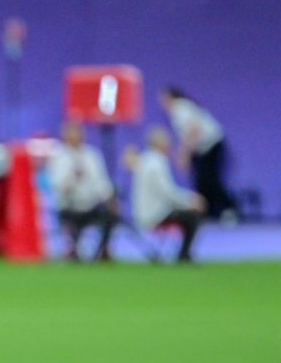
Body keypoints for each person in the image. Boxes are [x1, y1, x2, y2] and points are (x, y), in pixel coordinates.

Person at [159, 86, 238, 222]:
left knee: (211, 178)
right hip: (201, 148)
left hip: (211, 145)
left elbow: (194, 130)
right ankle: (206, 212)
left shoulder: (180, 107)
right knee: (201, 180)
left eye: (163, 99)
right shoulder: (178, 111)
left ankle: (228, 210)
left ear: (171, 97)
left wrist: (185, 154)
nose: (162, 103)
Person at [129, 127, 205, 262]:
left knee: (189, 214)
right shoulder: (158, 162)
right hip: (156, 214)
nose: (170, 147)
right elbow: (167, 193)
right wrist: (191, 201)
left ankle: (183, 253)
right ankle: (184, 254)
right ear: (160, 145)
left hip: (144, 213)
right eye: (167, 144)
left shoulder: (145, 160)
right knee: (194, 216)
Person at [46, 121, 119, 261]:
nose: (75, 137)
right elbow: (57, 186)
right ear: (65, 136)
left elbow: (101, 182)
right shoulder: (59, 157)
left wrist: (109, 198)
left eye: (77, 133)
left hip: (91, 205)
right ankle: (73, 250)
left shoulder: (92, 155)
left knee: (110, 215)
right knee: (69, 220)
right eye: (71, 134)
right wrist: (73, 179)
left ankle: (103, 250)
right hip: (69, 206)